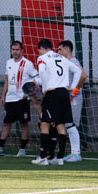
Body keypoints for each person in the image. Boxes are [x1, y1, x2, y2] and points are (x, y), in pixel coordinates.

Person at [32, 38, 86, 166]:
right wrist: (72, 87)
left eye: (39, 50)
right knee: (61, 124)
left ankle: (44, 157)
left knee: (44, 123)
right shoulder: (63, 59)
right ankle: (60, 158)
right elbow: (78, 72)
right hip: (64, 94)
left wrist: (45, 88)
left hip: (52, 93)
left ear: (42, 49)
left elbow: (41, 72)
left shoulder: (43, 58)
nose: (39, 53)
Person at [0, 41, 38, 157]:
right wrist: (3, 95)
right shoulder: (9, 62)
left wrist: (30, 91)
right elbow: (7, 79)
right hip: (10, 99)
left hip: (22, 99)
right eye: (13, 50)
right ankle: (0, 147)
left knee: (23, 124)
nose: (15, 52)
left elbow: (36, 77)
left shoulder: (27, 64)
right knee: (6, 123)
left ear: (22, 51)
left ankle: (22, 149)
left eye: (17, 50)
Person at [57, 40, 88, 162]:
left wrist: (74, 92)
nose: (58, 52)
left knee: (71, 124)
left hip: (74, 99)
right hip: (68, 98)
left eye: (60, 49)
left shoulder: (73, 62)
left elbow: (83, 75)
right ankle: (73, 153)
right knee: (67, 124)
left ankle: (76, 154)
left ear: (67, 49)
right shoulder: (66, 62)